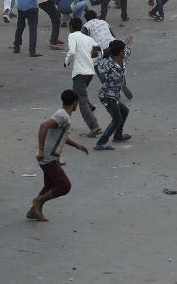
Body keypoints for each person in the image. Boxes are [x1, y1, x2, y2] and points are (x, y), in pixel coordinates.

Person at [26, 89, 88, 222]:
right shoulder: (63, 115)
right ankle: (37, 202)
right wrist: (41, 150)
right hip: (48, 158)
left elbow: (61, 136)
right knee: (65, 186)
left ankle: (34, 211)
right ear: (75, 102)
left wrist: (77, 145)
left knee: (49, 185)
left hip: (50, 157)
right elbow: (44, 126)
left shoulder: (64, 115)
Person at [94, 36, 133, 150]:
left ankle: (118, 135)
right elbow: (101, 70)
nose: (125, 52)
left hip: (115, 95)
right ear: (120, 52)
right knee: (117, 119)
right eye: (124, 50)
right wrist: (99, 55)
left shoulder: (123, 58)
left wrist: (129, 44)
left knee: (124, 111)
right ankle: (101, 142)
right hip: (107, 96)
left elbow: (129, 51)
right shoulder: (110, 65)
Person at [64, 17, 100, 136]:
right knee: (79, 95)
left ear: (71, 27)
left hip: (79, 73)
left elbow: (72, 52)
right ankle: (90, 109)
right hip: (90, 73)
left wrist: (66, 61)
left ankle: (94, 126)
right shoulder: (89, 38)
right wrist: (92, 62)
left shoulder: (72, 36)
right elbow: (99, 51)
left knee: (81, 101)